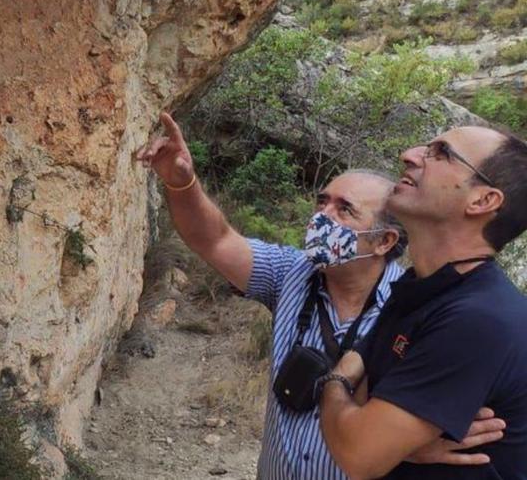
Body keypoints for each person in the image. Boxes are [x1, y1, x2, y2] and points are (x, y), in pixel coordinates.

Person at [138, 114, 505, 479]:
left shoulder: (415, 311)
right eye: (322, 202)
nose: (322, 217)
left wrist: (403, 444)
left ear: (384, 241)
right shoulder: (290, 273)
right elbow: (214, 239)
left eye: (345, 209)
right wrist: (182, 183)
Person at [319, 126, 527, 478]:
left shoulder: (478, 319)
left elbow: (358, 453)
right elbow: (362, 372)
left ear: (482, 201)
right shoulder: (420, 287)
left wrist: (333, 383)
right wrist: (395, 441)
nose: (410, 155)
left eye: (441, 153)